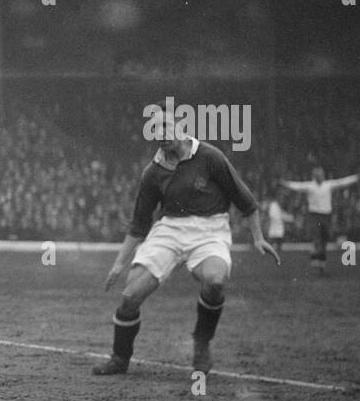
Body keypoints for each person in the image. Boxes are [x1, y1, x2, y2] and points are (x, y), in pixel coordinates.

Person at [94, 131, 280, 376]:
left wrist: (258, 237)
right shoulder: (153, 171)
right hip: (170, 228)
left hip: (209, 229)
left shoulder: (210, 156)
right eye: (155, 132)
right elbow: (139, 223)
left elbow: (244, 198)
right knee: (130, 296)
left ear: (180, 126)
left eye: (165, 128)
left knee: (215, 281)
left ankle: (201, 342)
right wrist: (119, 263)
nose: (161, 136)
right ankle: (119, 358)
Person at [280, 167, 360, 274]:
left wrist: (357, 177)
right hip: (315, 215)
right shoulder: (310, 186)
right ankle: (316, 259)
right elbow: (297, 186)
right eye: (319, 175)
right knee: (317, 237)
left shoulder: (328, 185)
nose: (321, 177)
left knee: (324, 239)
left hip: (326, 216)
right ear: (315, 176)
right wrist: (284, 183)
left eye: (322, 175)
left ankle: (321, 263)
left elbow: (343, 182)